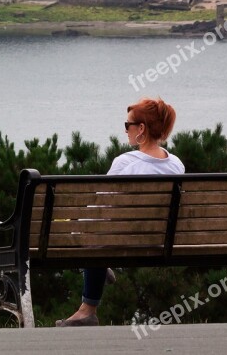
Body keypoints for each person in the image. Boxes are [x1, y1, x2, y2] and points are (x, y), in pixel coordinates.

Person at [55, 97, 184, 327]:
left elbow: (102, 208)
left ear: (141, 129)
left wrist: (77, 223)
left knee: (87, 233)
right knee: (95, 235)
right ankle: (99, 269)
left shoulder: (126, 163)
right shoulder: (176, 165)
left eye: (128, 125)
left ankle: (88, 310)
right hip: (160, 241)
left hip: (122, 241)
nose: (125, 130)